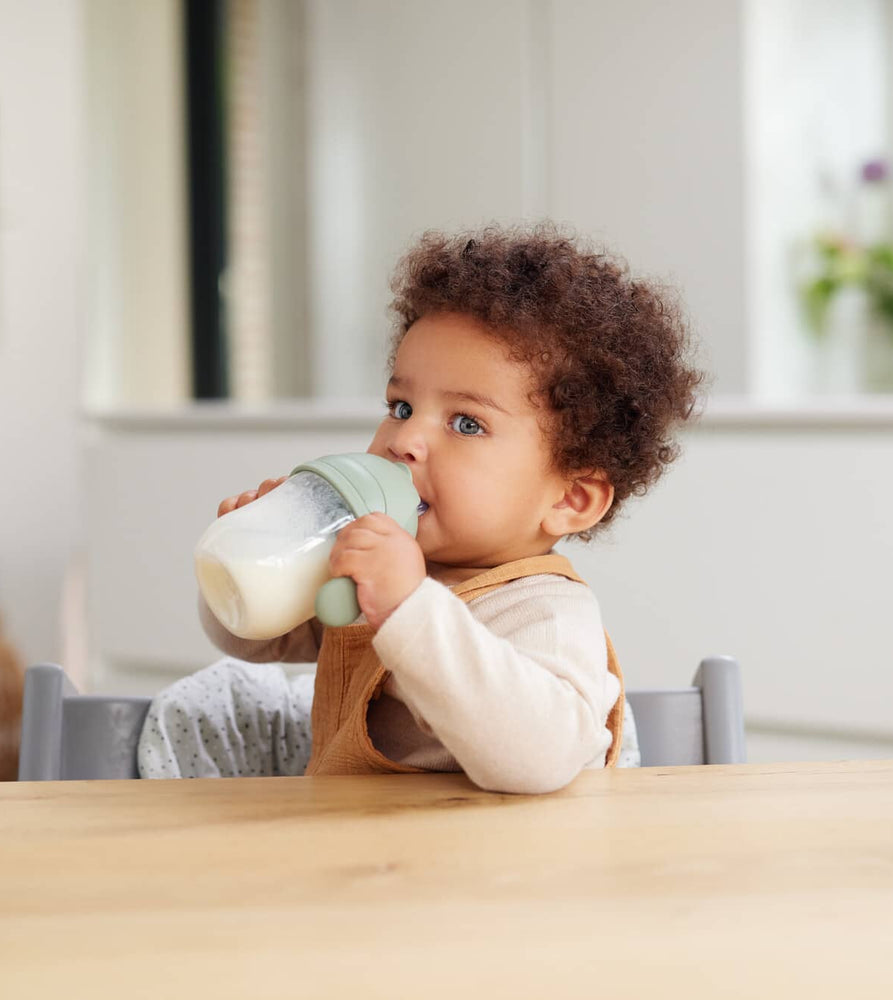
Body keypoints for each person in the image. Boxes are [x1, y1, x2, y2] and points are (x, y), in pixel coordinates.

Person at [139, 224, 706, 793]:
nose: (404, 439)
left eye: (466, 423)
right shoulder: (377, 565)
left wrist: (408, 609)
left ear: (569, 499)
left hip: (503, 870)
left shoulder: (547, 615)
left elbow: (537, 758)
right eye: (402, 405)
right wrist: (263, 552)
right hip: (376, 858)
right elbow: (250, 639)